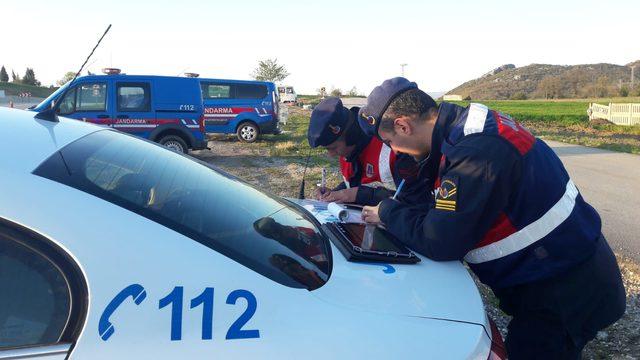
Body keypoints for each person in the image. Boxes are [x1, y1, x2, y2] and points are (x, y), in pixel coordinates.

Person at [359, 77, 626, 359]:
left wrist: (388, 212)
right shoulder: (462, 127)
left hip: (565, 288)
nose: (396, 151)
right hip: (558, 268)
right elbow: (432, 200)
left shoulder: (475, 152)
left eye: (391, 142)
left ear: (403, 125)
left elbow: (440, 241)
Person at [307, 97, 422, 206]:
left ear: (351, 136)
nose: (331, 154)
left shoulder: (392, 148)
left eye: (333, 148)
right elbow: (354, 185)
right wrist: (334, 193)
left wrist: (359, 195)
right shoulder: (348, 153)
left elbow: (413, 200)